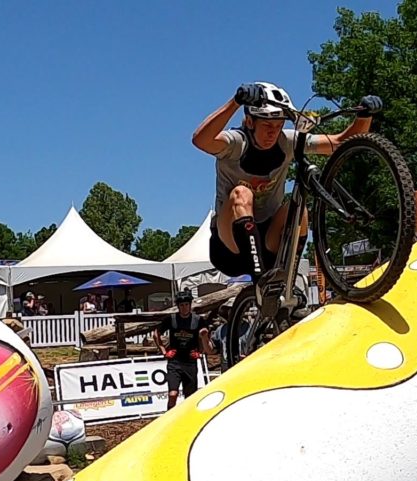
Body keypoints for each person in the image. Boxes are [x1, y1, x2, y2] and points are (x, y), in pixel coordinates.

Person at [191, 82, 382, 296]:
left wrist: (365, 117)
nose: (273, 132)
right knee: (242, 193)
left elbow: (338, 143)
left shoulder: (286, 142)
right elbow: (201, 140)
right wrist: (236, 102)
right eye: (267, 126)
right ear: (250, 121)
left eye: (279, 125)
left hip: (268, 240)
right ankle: (259, 281)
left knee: (300, 209)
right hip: (229, 246)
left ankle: (288, 285)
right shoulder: (236, 143)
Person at [152, 291, 212, 409]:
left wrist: (200, 353)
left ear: (190, 305)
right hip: (174, 362)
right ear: (178, 306)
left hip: (190, 362)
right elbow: (156, 334)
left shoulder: (198, 320)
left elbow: (205, 338)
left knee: (190, 397)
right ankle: (169, 417)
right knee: (173, 394)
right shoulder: (171, 319)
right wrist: (164, 351)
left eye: (186, 305)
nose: (184, 308)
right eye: (181, 305)